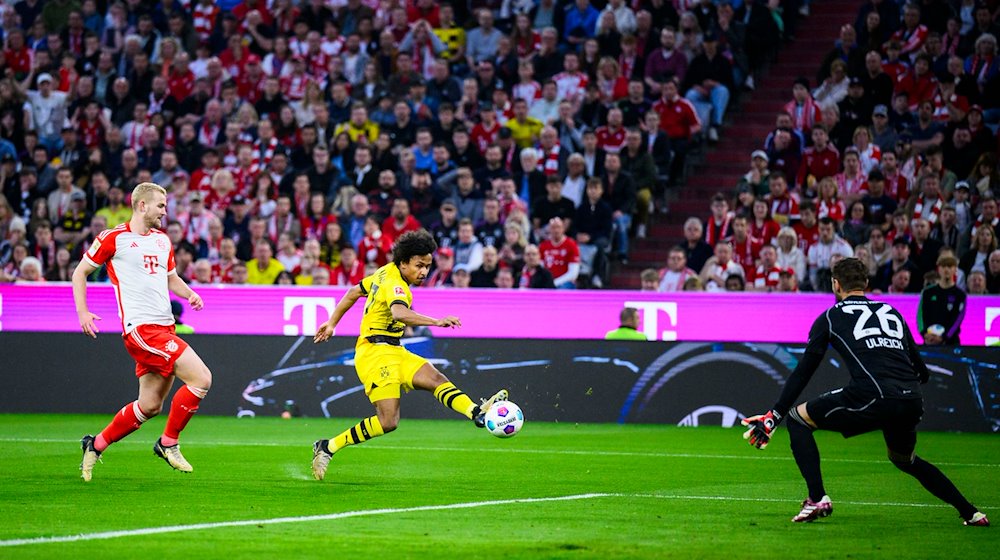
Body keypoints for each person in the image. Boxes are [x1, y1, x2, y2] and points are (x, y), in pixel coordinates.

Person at [741, 257, 989, 527]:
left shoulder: (830, 317)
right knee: (905, 460)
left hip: (872, 395)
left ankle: (817, 498)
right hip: (911, 399)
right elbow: (922, 370)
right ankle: (971, 513)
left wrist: (773, 416)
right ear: (866, 283)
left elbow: (804, 371)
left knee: (798, 419)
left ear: (836, 285)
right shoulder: (891, 312)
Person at [310, 229, 508, 481]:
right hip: (375, 354)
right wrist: (436, 321)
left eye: (427, 266)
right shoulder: (396, 285)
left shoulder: (384, 272)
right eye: (419, 265)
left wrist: (332, 323)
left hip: (394, 349)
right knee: (388, 421)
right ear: (403, 262)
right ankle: (328, 446)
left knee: (435, 378)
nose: (424, 271)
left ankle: (476, 412)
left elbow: (353, 292)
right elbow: (400, 314)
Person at [74, 182, 212, 481]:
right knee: (201, 378)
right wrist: (82, 311)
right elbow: (80, 272)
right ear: (142, 205)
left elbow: (171, 278)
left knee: (149, 406)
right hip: (141, 330)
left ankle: (95, 445)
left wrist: (189, 294)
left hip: (164, 328)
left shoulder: (162, 241)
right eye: (160, 205)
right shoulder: (113, 238)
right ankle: (168, 443)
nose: (164, 211)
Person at [917, 255, 965, 346]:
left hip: (950, 343)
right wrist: (925, 334)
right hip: (929, 341)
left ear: (955, 269)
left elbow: (957, 320)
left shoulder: (960, 295)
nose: (946, 269)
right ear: (938, 269)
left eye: (949, 266)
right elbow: (920, 315)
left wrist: (944, 337)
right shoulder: (928, 292)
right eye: (943, 266)